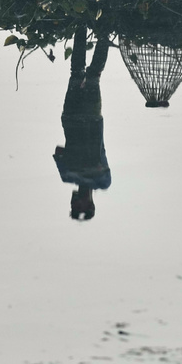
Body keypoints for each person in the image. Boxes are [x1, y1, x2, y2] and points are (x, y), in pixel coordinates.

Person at [53, 25, 111, 220]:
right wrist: (78, 166)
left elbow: (58, 151)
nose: (78, 201)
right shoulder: (102, 182)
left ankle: (81, 24)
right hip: (90, 120)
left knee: (76, 72)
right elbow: (99, 170)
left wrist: (79, 167)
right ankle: (105, 28)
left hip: (71, 118)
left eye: (75, 204)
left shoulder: (67, 177)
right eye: (82, 204)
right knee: (92, 75)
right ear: (91, 203)